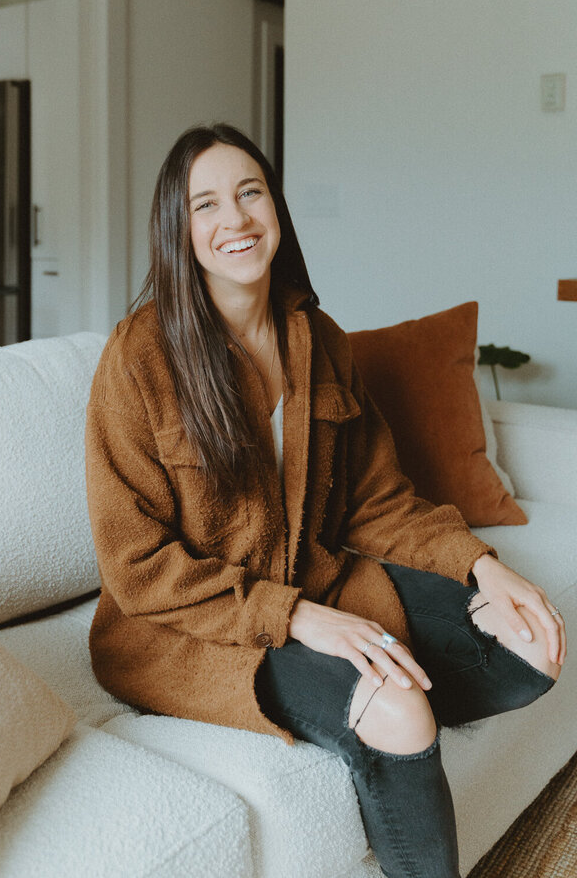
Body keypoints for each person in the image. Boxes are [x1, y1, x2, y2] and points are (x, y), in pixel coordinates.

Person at [85, 123, 566, 878]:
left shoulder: (322, 339)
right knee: (402, 707)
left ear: (275, 204)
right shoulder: (138, 358)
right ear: (180, 231)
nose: (235, 219)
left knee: (532, 646)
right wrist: (298, 618)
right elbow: (137, 568)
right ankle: (387, 727)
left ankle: (381, 722)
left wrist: (482, 568)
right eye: (205, 204)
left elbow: (378, 500)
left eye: (250, 192)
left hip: (315, 581)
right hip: (192, 629)